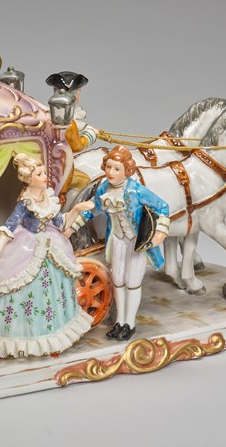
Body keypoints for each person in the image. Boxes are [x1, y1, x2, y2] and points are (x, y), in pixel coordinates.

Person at [0, 154, 95, 358]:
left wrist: (77, 209)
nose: (45, 176)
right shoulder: (25, 201)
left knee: (56, 282)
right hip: (27, 244)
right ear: (29, 179)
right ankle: (22, 334)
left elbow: (60, 222)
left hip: (51, 241)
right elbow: (9, 227)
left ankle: (53, 329)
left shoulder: (47, 196)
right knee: (20, 282)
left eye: (44, 172)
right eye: (39, 174)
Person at [65, 146, 170, 341]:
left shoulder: (136, 190)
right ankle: (120, 322)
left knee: (133, 283)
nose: (110, 172)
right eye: (108, 167)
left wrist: (161, 232)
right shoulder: (104, 188)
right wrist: (72, 228)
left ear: (127, 170)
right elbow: (92, 210)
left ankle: (130, 323)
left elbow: (163, 206)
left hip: (136, 243)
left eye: (116, 169)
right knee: (118, 281)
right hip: (116, 241)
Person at [45, 71, 100, 152]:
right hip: (63, 156)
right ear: (77, 94)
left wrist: (88, 128)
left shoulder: (45, 115)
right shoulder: (68, 124)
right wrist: (91, 135)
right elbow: (77, 147)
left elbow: (78, 124)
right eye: (78, 91)